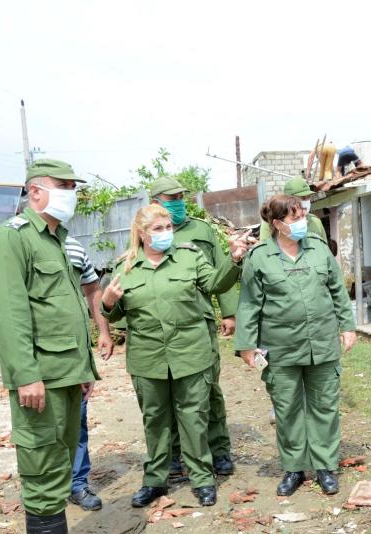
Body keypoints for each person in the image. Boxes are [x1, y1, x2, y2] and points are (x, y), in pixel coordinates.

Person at [101, 204, 250, 508]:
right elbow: (115, 315)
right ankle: (155, 480)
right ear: (142, 234)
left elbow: (215, 283)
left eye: (168, 227)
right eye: (158, 229)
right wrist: (107, 302)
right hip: (148, 358)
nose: (166, 233)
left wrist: (234, 258)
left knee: (194, 418)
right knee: (155, 420)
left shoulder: (189, 256)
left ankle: (202, 478)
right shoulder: (126, 267)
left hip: (191, 352)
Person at [0, 158, 100, 534]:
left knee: (62, 462)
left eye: (73, 187)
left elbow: (67, 311)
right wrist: (26, 376)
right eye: (63, 186)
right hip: (41, 379)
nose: (72, 194)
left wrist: (84, 370)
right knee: (42, 471)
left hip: (67, 374)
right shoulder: (12, 238)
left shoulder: (60, 239)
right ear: (35, 191)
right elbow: (9, 314)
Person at [0, 235, 113, 512]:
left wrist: (103, 332)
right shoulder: (15, 245)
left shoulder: (73, 246)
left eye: (71, 187)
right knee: (39, 433)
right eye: (63, 187)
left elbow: (93, 289)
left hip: (71, 359)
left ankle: (76, 484)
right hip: (36, 360)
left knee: (76, 425)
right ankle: (42, 490)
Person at [235, 195, 356, 497]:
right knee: (287, 409)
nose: (302, 222)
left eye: (303, 215)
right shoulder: (260, 256)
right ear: (277, 224)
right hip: (280, 348)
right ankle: (294, 469)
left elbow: (337, 290)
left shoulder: (318, 249)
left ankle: (326, 467)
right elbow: (249, 303)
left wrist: (347, 325)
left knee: (324, 406)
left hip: (322, 344)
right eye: (295, 218)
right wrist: (247, 345)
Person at [149, 176, 238, 477]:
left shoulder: (200, 230)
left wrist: (229, 312)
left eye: (181, 197)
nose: (178, 203)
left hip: (199, 323)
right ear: (155, 203)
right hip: (161, 330)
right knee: (168, 392)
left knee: (208, 389)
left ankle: (219, 449)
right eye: (171, 198)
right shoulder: (147, 233)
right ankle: (174, 454)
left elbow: (218, 271)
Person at [259, 177, 327, 243]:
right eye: (302, 198)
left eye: (308, 197)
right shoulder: (271, 223)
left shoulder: (315, 222)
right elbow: (265, 251)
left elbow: (324, 251)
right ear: (289, 200)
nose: (306, 201)